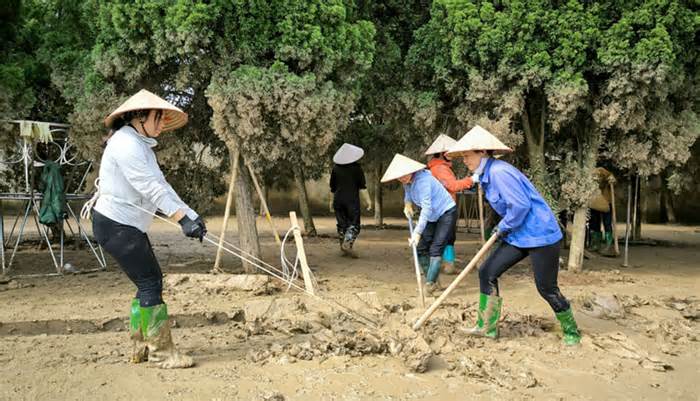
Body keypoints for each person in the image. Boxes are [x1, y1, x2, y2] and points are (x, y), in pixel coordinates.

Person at [88, 89, 206, 368]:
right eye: (159, 117)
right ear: (139, 116)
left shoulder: (139, 144)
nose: (163, 123)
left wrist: (191, 215)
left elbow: (162, 185)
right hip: (116, 225)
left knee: (148, 283)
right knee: (150, 282)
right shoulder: (126, 145)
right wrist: (181, 220)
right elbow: (150, 188)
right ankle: (162, 354)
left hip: (125, 226)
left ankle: (140, 347)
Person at [446, 125, 581, 345]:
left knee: (546, 288)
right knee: (487, 272)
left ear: (482, 152)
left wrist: (502, 227)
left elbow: (520, 206)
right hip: (519, 235)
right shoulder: (486, 174)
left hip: (541, 235)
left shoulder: (499, 172)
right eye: (462, 156)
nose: (464, 160)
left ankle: (571, 331)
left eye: (467, 155)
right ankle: (487, 328)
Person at [381, 154, 457, 295]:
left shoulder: (423, 180)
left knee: (436, 248)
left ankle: (429, 285)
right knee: (421, 248)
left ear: (411, 170)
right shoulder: (407, 181)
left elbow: (426, 208)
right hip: (431, 215)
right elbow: (408, 194)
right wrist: (407, 203)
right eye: (399, 176)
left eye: (404, 175)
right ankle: (433, 279)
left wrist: (417, 232)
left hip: (445, 212)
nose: (402, 178)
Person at [425, 134, 474, 274]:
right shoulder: (440, 168)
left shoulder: (436, 167)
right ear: (441, 153)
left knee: (442, 237)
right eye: (449, 152)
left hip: (437, 208)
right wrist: (471, 180)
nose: (451, 155)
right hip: (445, 208)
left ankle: (444, 265)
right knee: (447, 237)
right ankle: (447, 266)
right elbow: (452, 186)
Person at [330, 143, 371, 257]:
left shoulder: (335, 168)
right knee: (354, 225)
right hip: (351, 201)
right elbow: (362, 187)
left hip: (338, 201)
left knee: (342, 224)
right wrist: (368, 201)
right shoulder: (356, 168)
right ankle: (347, 244)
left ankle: (344, 247)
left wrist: (330, 202)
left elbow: (332, 188)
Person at [588, 167, 617, 257]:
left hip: (606, 201)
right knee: (594, 223)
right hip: (594, 203)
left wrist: (612, 180)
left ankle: (609, 245)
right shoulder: (589, 173)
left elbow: (613, 180)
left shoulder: (603, 171)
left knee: (607, 223)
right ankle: (596, 244)